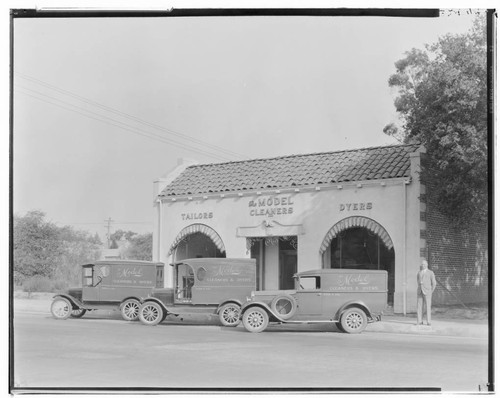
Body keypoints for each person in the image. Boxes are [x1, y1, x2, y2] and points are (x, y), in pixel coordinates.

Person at [417, 259, 437, 326]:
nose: (423, 265)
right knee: (419, 306)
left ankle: (428, 321)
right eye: (422, 264)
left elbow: (434, 283)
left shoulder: (430, 272)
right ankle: (420, 321)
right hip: (420, 291)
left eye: (424, 264)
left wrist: (431, 291)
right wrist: (420, 287)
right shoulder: (419, 272)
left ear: (427, 265)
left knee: (428, 306)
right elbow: (418, 281)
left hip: (427, 291)